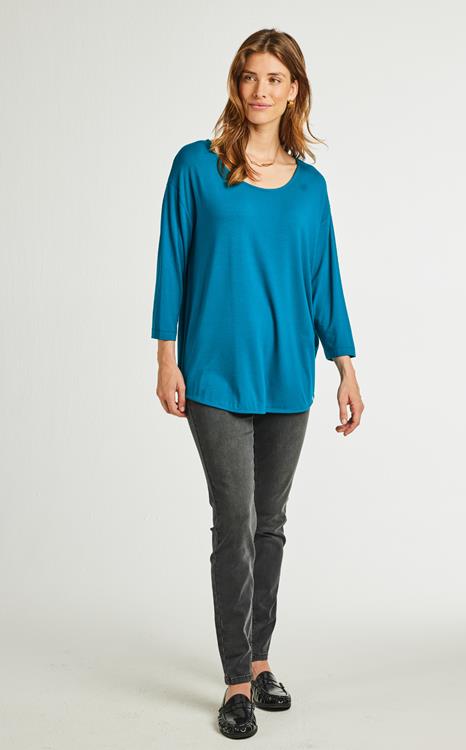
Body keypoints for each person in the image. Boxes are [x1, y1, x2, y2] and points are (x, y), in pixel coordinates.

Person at [151, 28, 364, 740]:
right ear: (235, 85)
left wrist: (345, 367)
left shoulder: (310, 188)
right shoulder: (197, 166)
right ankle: (236, 681)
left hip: (287, 377)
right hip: (213, 374)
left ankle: (262, 658)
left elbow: (325, 282)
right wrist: (166, 357)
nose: (261, 90)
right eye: (250, 76)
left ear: (294, 89)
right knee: (235, 522)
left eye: (275, 78)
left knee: (269, 524)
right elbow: (171, 260)